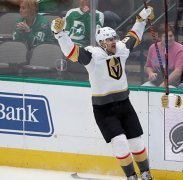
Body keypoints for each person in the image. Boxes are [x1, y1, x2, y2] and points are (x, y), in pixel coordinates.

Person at [51, 6, 154, 180]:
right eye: (109, 40)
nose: (113, 41)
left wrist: (141, 18)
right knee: (120, 142)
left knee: (137, 142)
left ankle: (146, 174)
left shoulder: (121, 48)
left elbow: (134, 36)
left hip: (124, 104)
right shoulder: (93, 56)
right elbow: (71, 51)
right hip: (104, 109)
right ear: (101, 43)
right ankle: (131, 176)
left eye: (114, 38)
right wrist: (60, 33)